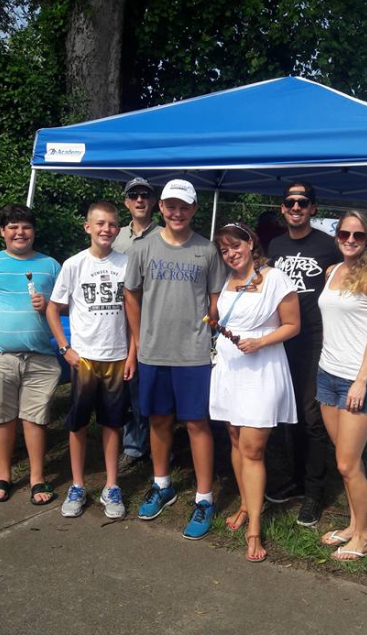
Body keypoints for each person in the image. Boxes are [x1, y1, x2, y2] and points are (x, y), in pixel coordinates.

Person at [268, 182, 367, 527]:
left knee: (313, 424)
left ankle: (314, 493)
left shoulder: (329, 247)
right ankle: (294, 482)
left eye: (303, 202)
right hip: (282, 343)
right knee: (287, 417)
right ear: (283, 208)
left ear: (312, 208)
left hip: (316, 345)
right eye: (290, 202)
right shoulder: (276, 246)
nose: (296, 207)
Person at [125, 178, 226, 539]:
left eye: (184, 206)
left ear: (194, 209)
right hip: (154, 352)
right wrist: (139, 340)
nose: (177, 212)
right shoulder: (144, 247)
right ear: (161, 208)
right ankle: (163, 484)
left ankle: (204, 498)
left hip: (195, 354)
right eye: (171, 206)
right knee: (159, 420)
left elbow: (216, 302)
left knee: (197, 424)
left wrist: (209, 336)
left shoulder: (207, 251)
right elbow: (131, 295)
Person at [209, 223, 300, 562]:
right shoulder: (228, 280)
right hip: (230, 369)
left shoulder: (275, 278)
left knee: (253, 447)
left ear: (250, 243)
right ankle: (246, 504)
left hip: (262, 368)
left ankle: (255, 529)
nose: (231, 254)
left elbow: (293, 325)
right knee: (234, 437)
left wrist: (260, 341)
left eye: (236, 246)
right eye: (225, 250)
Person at [0, 203, 61, 504]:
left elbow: (68, 307)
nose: (20, 232)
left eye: (26, 227)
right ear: (3, 232)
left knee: (36, 419)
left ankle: (37, 478)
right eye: (13, 227)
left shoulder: (51, 265)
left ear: (34, 231)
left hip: (41, 357)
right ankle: (3, 474)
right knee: (1, 418)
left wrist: (52, 306)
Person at [47, 201, 137, 519]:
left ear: (118, 229)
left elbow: (134, 314)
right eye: (99, 224)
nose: (106, 230)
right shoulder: (73, 265)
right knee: (78, 423)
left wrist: (132, 354)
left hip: (117, 357)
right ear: (88, 227)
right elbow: (52, 309)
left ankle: (112, 485)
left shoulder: (127, 263)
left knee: (113, 423)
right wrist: (64, 347)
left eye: (112, 224)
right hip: (84, 359)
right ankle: (77, 484)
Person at [316, 211, 367, 561]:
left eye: (358, 236)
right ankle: (352, 525)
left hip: (357, 380)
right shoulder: (332, 272)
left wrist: (361, 381)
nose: (350, 240)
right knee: (346, 459)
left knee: (347, 463)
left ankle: (363, 538)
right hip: (326, 375)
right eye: (344, 233)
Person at [113, 177, 162, 473]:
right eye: (134, 195)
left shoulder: (165, 235)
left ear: (153, 201)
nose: (140, 199)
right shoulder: (113, 236)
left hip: (152, 322)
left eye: (145, 195)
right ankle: (133, 444)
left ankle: (154, 446)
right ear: (126, 202)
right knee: (124, 389)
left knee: (149, 390)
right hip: (114, 321)